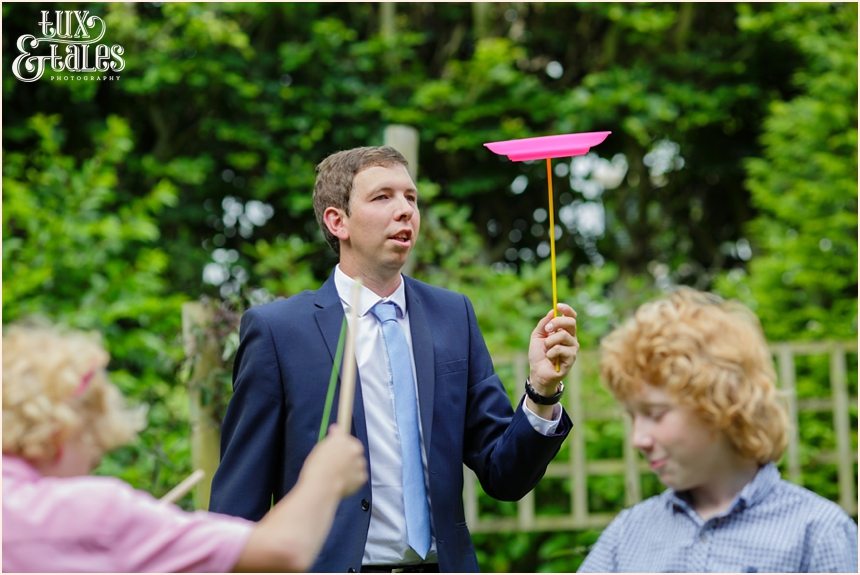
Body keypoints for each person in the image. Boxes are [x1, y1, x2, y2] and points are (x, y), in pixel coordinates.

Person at [209, 146, 579, 572]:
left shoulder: (452, 315)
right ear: (338, 221)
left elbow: (505, 475)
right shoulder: (279, 332)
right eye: (383, 197)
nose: (405, 210)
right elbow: (238, 507)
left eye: (411, 198)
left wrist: (542, 390)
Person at [2, 322, 367, 573]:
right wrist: (325, 478)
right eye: (94, 450)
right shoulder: (92, 513)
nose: (91, 467)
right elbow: (282, 549)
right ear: (63, 432)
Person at [578, 288, 858, 573]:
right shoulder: (628, 535)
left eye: (655, 414)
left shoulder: (818, 533)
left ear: (720, 403)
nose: (638, 439)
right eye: (632, 417)